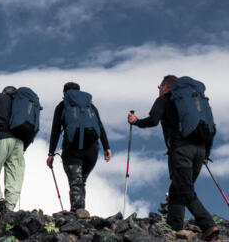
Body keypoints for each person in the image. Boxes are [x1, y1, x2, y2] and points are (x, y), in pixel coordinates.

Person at [128, 75, 219, 241]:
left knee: (185, 190)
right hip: (200, 149)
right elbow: (210, 124)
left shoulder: (164, 99)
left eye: (159, 88)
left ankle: (208, 224)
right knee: (178, 188)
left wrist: (136, 121)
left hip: (181, 150)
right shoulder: (195, 100)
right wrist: (206, 153)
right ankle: (174, 227)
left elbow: (153, 120)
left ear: (164, 87)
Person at [46, 82, 112, 212]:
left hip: (72, 150)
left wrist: (51, 154)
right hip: (92, 150)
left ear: (64, 93)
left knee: (76, 183)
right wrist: (106, 148)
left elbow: (55, 131)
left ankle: (77, 216)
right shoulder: (90, 106)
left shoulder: (62, 106)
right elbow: (100, 126)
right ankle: (81, 213)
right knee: (82, 182)